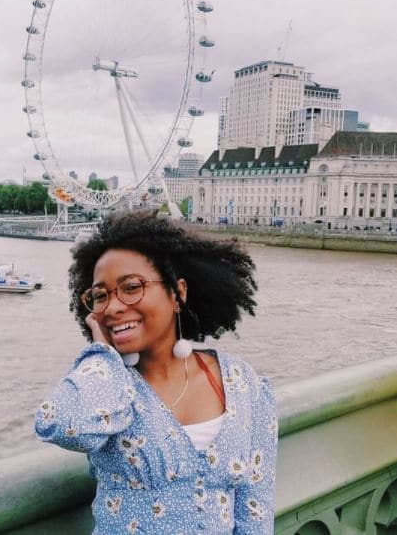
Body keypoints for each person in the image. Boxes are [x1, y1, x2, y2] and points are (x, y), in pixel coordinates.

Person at [35, 210, 278, 534]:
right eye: (100, 295)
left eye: (131, 287)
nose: (114, 306)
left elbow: (255, 514)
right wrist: (103, 353)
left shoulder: (244, 385)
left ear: (178, 293)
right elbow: (62, 425)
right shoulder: (109, 385)